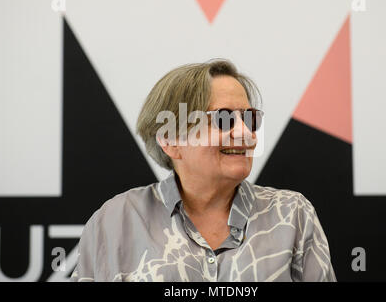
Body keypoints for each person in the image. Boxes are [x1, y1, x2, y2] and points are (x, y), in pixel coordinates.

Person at [70, 59, 336, 282]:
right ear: (171, 140)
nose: (246, 133)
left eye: (249, 118)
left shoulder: (292, 215)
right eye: (223, 119)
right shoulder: (115, 220)